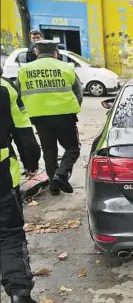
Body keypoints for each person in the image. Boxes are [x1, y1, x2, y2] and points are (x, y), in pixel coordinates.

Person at [16, 40, 82, 196]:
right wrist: (73, 109)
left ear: (37, 52)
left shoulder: (25, 70)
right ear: (56, 52)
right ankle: (61, 174)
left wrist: (30, 111)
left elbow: (19, 95)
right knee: (72, 148)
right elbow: (78, 94)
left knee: (49, 150)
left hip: (39, 118)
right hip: (65, 116)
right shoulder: (66, 68)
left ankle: (54, 186)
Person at [1, 66, 41, 303]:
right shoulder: (4, 88)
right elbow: (23, 131)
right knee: (9, 234)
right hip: (2, 175)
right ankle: (19, 292)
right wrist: (31, 162)